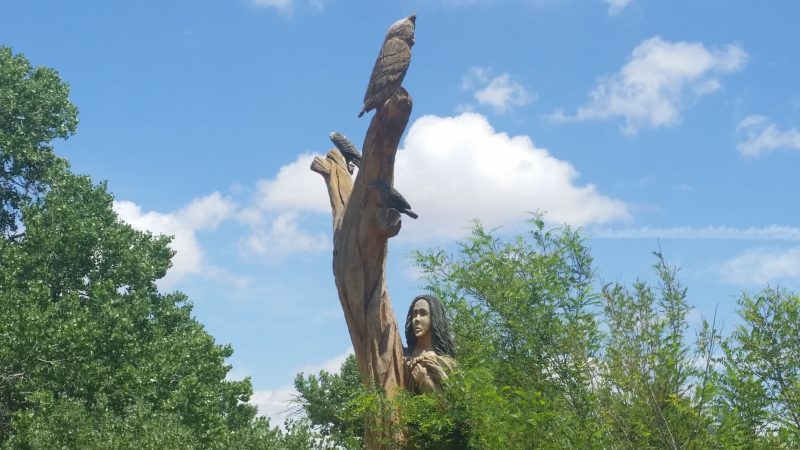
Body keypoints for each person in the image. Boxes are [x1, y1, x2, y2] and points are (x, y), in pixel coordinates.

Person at [404, 295, 455, 393]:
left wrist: (424, 380)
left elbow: (449, 403)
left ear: (434, 318)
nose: (416, 319)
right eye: (414, 314)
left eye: (423, 313)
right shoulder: (403, 355)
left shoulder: (446, 362)